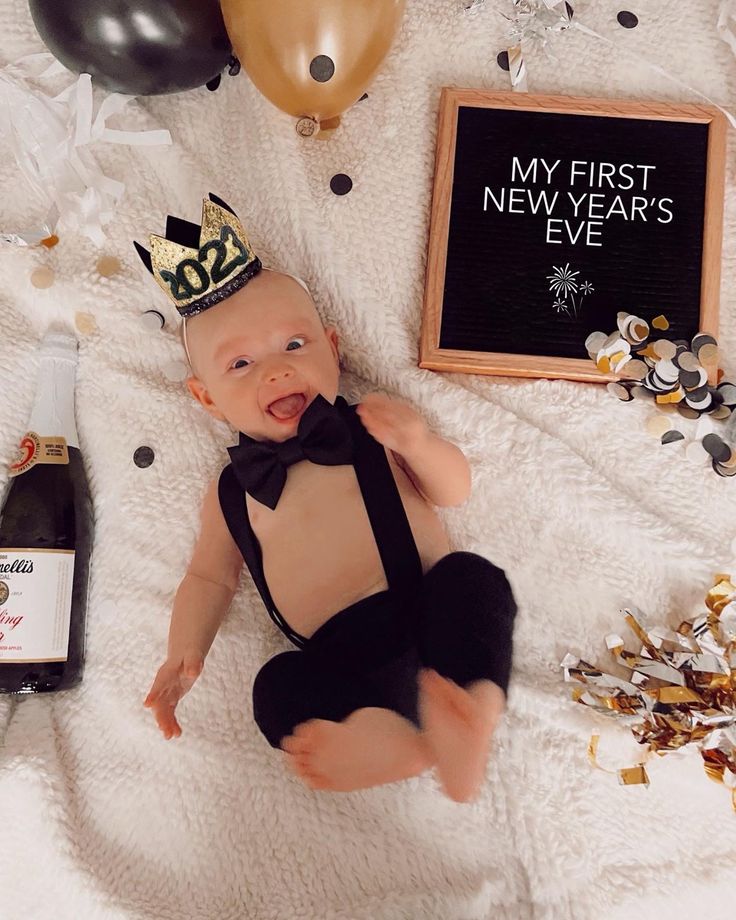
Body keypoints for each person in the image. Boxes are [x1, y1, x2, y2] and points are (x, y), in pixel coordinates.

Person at [138, 195, 517, 803]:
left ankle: (472, 709)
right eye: (240, 363)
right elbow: (209, 577)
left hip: (429, 621)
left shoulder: (373, 426)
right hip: (339, 666)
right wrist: (184, 653)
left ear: (333, 348)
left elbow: (454, 490)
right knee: (276, 690)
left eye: (294, 345)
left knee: (473, 581)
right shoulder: (230, 490)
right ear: (205, 398)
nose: (277, 371)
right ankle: (392, 743)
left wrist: (419, 444)